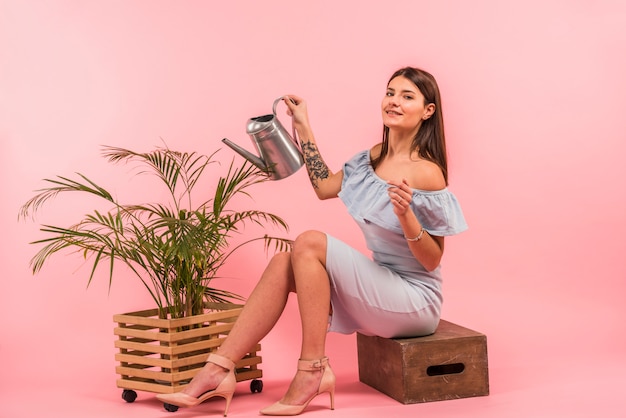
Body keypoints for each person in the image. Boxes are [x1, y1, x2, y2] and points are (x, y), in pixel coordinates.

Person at [157, 66, 468, 416]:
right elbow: (324, 188)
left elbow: (431, 262)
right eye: (390, 92)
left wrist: (407, 215)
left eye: (407, 96)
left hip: (414, 302)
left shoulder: (426, 171)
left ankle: (312, 370)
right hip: (381, 288)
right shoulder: (373, 157)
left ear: (428, 111)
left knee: (308, 241)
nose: (394, 101)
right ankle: (218, 369)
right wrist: (303, 125)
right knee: (282, 263)